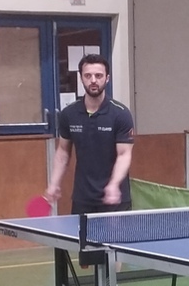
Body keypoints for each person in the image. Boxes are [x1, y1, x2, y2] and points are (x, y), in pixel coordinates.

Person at [43, 53, 135, 212]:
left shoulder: (121, 114)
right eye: (88, 75)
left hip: (114, 199)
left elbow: (124, 154)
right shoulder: (69, 114)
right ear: (81, 78)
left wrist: (113, 185)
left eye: (98, 76)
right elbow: (63, 152)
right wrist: (54, 184)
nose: (93, 80)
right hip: (83, 198)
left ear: (107, 78)